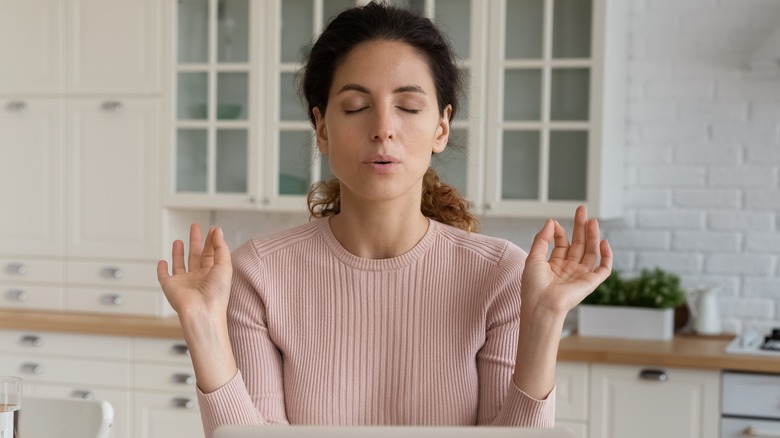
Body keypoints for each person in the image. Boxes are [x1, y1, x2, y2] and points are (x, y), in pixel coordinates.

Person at [157, 2, 612, 437]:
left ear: (441, 127)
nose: (383, 128)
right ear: (321, 129)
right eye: (356, 107)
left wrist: (546, 319)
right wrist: (201, 325)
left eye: (409, 107)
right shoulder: (260, 274)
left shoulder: (499, 276)